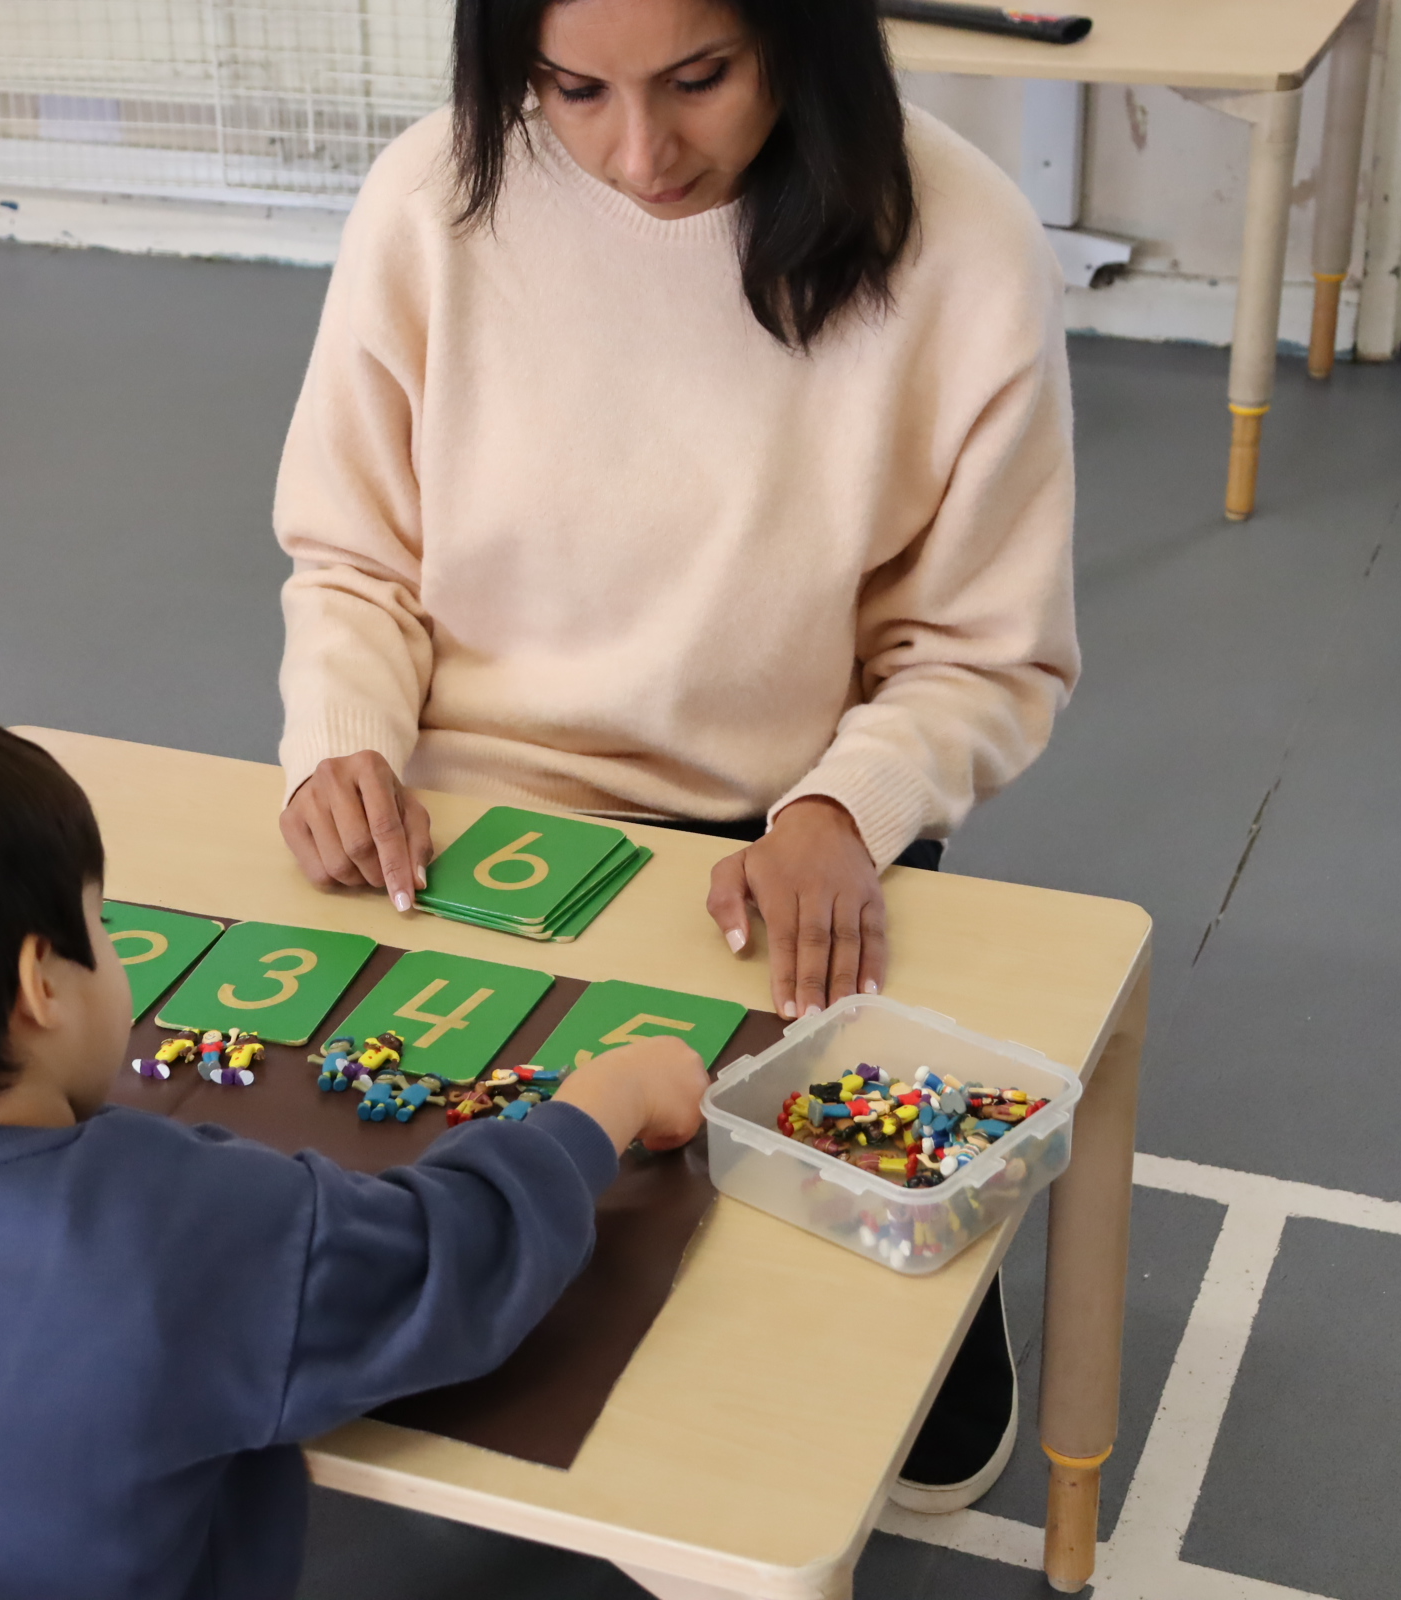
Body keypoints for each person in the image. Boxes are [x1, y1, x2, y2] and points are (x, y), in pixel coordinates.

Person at [271, 0, 1075, 1516]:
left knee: (812, 1401)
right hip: (462, 820)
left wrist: (851, 804)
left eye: (700, 80)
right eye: (572, 89)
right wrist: (341, 742)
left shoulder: (962, 237)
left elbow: (978, 649)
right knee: (386, 1260)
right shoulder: (431, 195)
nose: (642, 156)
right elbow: (354, 561)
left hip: (778, 831)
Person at [0, 701, 710, 1600]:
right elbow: (457, 1259)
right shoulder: (181, 1225)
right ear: (40, 985)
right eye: (102, 920)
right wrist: (602, 1102)